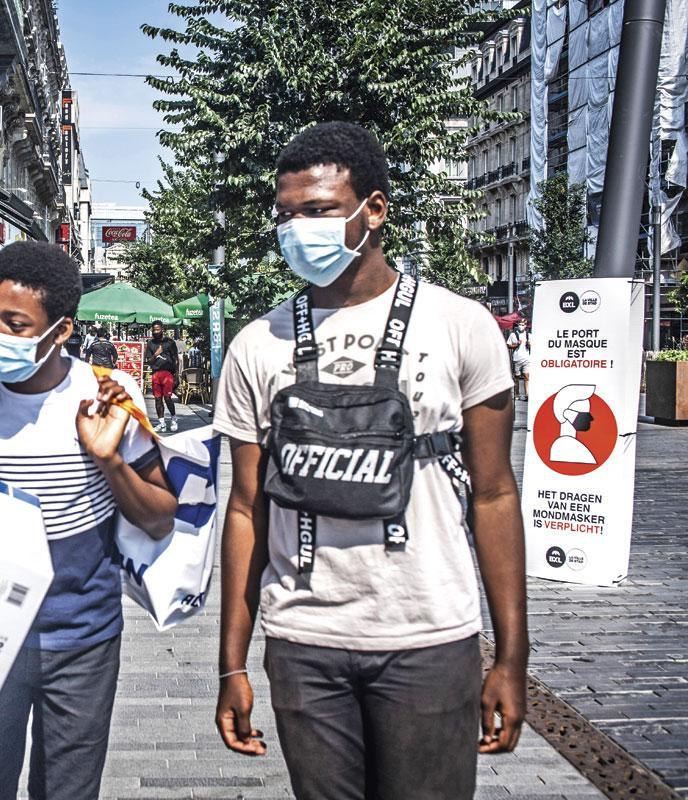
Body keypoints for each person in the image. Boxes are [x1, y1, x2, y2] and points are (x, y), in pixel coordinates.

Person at [212, 122, 527, 800]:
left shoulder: (459, 324)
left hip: (430, 633)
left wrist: (511, 656)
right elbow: (244, 509)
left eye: (319, 210)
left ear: (374, 210)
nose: (298, 228)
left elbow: (496, 493)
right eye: (286, 215)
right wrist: (229, 665)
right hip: (304, 636)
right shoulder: (256, 345)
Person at [0, 241, 177, 800]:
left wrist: (109, 459)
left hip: (82, 637)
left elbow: (162, 517)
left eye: (16, 324)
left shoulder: (108, 395)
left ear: (61, 330)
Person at [144, 320, 180, 432]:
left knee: (168, 398)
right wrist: (156, 354)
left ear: (162, 329)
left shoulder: (170, 342)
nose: (156, 331)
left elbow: (176, 359)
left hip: (168, 373)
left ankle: (174, 418)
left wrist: (177, 375)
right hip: (156, 374)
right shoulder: (150, 344)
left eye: (158, 329)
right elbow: (148, 361)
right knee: (157, 399)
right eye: (154, 329)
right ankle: (162, 423)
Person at [506, 319, 531, 401]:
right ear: (518, 324)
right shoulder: (513, 335)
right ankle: (517, 394)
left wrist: (529, 345)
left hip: (527, 359)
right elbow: (508, 345)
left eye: (523, 324)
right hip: (516, 359)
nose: (521, 325)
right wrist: (516, 345)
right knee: (516, 377)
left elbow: (533, 346)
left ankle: (527, 395)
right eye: (520, 324)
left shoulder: (529, 335)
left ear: (526, 325)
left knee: (527, 377)